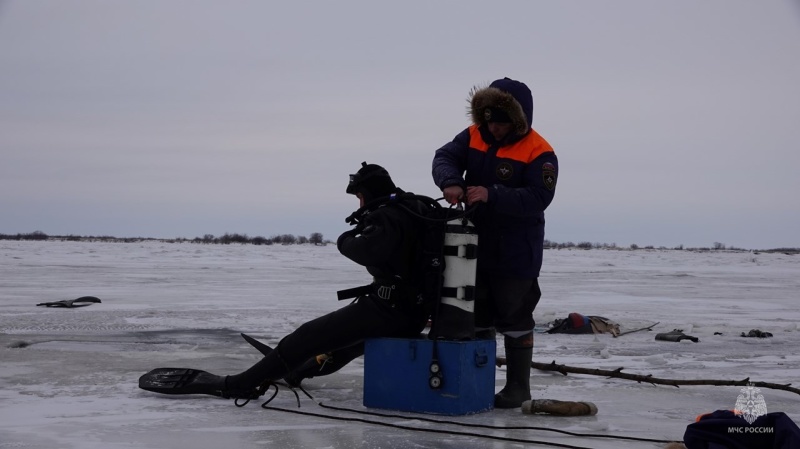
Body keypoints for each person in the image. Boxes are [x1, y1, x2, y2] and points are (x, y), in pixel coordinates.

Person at [139, 162, 430, 399]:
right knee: (344, 347)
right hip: (413, 312)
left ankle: (238, 384)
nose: (359, 202)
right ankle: (297, 371)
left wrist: (344, 239)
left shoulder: (387, 217)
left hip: (390, 310)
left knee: (307, 337)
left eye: (358, 196)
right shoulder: (416, 208)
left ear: (367, 192)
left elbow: (368, 250)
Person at [431, 77, 558, 408]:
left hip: (517, 251)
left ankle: (518, 388)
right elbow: (444, 156)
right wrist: (451, 182)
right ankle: (479, 381)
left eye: (502, 123)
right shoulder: (473, 135)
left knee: (515, 317)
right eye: (490, 121)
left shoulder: (539, 151)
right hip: (475, 247)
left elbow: (539, 196)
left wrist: (493, 194)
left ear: (518, 120)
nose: (495, 129)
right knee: (478, 315)